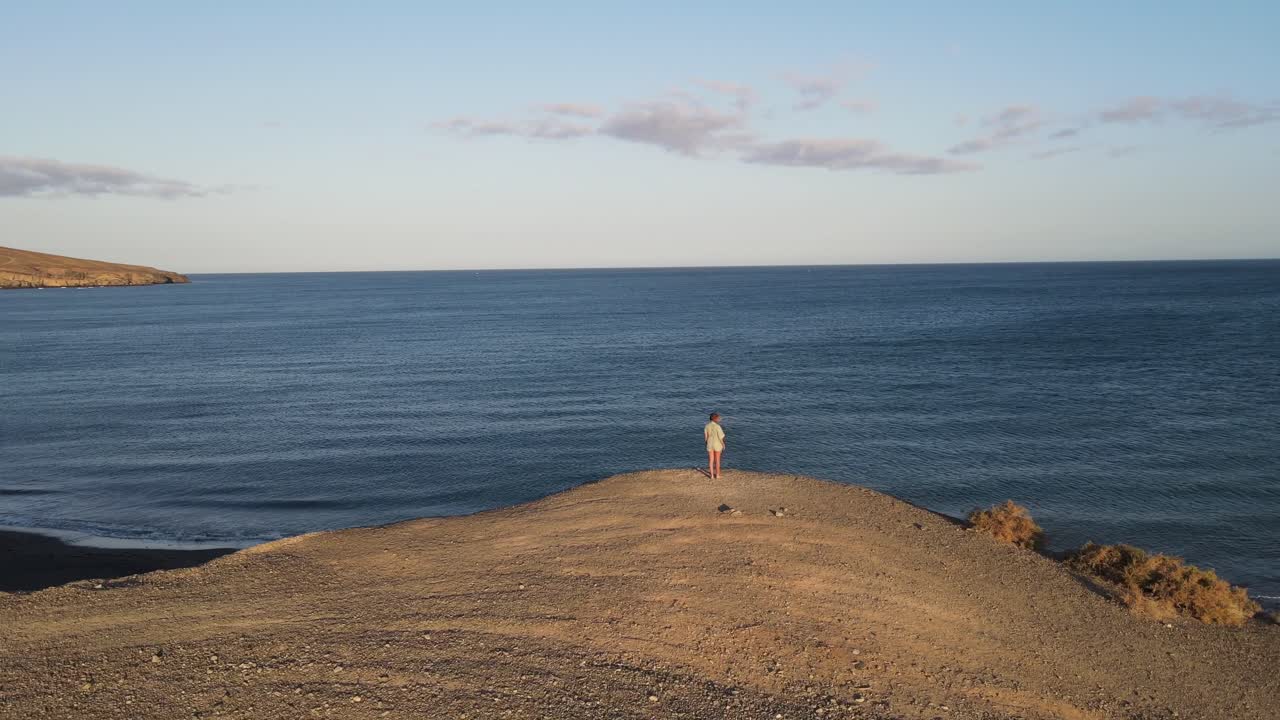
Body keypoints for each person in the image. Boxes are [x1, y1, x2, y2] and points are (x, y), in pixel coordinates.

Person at [704, 412, 726, 479]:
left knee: (711, 460)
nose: (719, 419)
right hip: (717, 445)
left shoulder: (707, 426)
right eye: (718, 418)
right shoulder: (717, 426)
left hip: (709, 444)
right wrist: (723, 444)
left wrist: (706, 444)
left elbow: (706, 437)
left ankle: (712, 476)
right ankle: (717, 475)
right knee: (717, 460)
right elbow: (720, 437)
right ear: (715, 418)